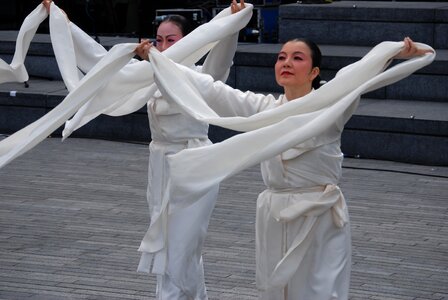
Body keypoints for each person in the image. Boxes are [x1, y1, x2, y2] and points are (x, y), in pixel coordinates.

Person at [137, 37, 434, 299]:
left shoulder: (331, 104)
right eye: (281, 57)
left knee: (320, 290)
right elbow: (212, 90)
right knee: (275, 290)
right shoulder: (264, 109)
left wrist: (392, 53)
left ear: (315, 72)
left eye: (297, 57)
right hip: (274, 214)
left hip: (319, 216)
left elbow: (353, 76)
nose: (286, 63)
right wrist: (159, 60)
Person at [41, 1, 248, 299]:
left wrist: (232, 22)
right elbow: (98, 58)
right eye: (159, 40)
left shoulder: (202, 76)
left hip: (194, 164)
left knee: (182, 245)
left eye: (171, 40)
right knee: (168, 245)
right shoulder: (148, 76)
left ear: (188, 42)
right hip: (160, 164)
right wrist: (64, 24)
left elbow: (222, 55)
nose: (163, 46)